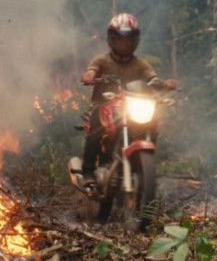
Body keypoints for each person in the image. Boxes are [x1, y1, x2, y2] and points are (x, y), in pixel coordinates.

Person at [70, 13, 176, 190]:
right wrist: (90, 76)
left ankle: (141, 167)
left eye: (128, 41)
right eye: (119, 40)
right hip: (104, 106)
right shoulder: (102, 60)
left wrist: (164, 83)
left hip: (130, 107)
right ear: (111, 40)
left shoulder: (140, 63)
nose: (124, 44)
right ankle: (88, 172)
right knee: (96, 129)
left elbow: (152, 77)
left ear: (134, 41)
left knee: (153, 121)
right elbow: (92, 69)